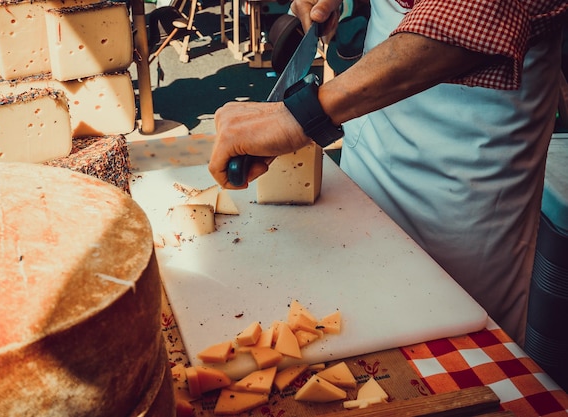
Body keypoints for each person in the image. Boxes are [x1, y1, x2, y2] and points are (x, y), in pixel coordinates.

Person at [209, 0, 568, 346]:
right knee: (351, 310)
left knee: (449, 330)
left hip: (466, 164)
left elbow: (472, 17)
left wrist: (302, 114)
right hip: (373, 114)